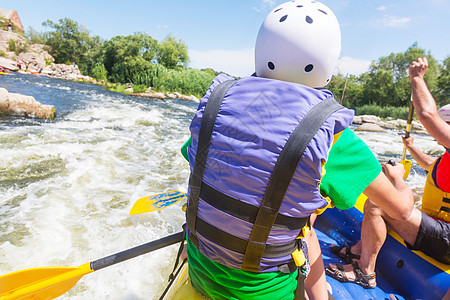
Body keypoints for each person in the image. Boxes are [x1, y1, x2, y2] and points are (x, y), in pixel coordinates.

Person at [182, 1, 414, 299]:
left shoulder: (216, 105)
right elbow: (402, 210)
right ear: (326, 64)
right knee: (303, 225)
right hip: (263, 291)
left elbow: (196, 161)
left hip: (201, 272)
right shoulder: (332, 135)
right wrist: (399, 182)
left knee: (302, 221)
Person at [326, 57, 450, 289]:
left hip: (448, 238)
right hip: (442, 226)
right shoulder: (446, 157)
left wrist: (416, 78)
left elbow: (427, 114)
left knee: (380, 204)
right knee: (387, 201)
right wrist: (412, 148)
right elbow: (434, 165)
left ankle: (365, 272)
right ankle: (356, 251)